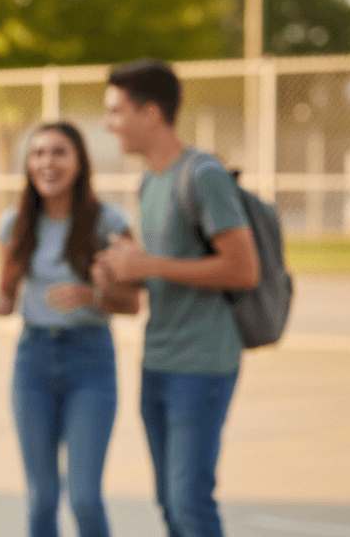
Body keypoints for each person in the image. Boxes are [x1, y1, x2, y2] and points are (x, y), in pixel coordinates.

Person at [97, 58, 260, 537]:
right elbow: (164, 271)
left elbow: (243, 269)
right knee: (170, 503)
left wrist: (147, 265)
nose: (108, 124)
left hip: (202, 363)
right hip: (158, 360)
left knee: (190, 503)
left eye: (116, 111)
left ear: (150, 113)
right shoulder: (149, 180)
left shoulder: (203, 174)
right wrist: (119, 273)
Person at [0, 122, 140, 537]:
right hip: (33, 360)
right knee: (42, 499)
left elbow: (132, 303)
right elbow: (7, 295)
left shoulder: (108, 221)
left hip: (90, 361)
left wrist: (91, 295)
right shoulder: (15, 222)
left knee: (84, 498)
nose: (46, 162)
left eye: (58, 152)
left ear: (79, 162)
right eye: (38, 153)